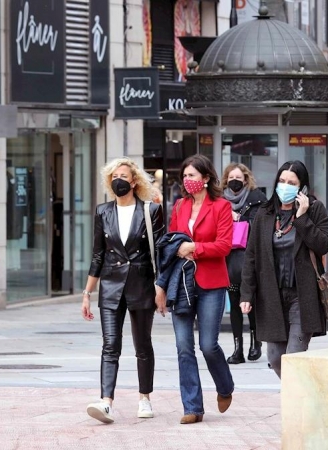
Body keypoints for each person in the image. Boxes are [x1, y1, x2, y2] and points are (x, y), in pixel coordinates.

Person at [81, 157, 165, 424]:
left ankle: (145, 398)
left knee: (143, 346)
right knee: (110, 345)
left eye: (124, 175)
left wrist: (160, 288)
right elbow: (98, 254)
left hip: (141, 284)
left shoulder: (150, 210)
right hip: (110, 286)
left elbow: (160, 254)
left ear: (134, 181)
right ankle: (106, 402)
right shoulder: (102, 211)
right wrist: (87, 293)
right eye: (114, 176)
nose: (119, 179)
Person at [239, 160, 328, 378]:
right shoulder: (265, 213)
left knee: (294, 357)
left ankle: (296, 408)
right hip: (271, 296)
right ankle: (302, 396)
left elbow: (323, 245)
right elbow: (251, 256)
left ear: (301, 187)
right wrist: (246, 294)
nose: (285, 186)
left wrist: (302, 218)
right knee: (275, 358)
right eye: (282, 181)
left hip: (302, 295)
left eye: (291, 182)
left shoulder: (314, 209)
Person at [163, 154, 235, 424]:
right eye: (184, 176)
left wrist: (195, 248)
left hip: (211, 283)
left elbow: (225, 245)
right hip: (180, 284)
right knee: (184, 346)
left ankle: (225, 385)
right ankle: (192, 407)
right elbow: (170, 243)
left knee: (208, 345)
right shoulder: (180, 206)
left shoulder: (221, 207)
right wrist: (161, 287)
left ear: (205, 179)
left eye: (192, 175)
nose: (187, 180)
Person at [222, 163, 267, 364]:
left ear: (246, 179)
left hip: (251, 259)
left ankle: (255, 342)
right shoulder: (220, 201)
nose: (235, 181)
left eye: (239, 178)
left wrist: (240, 220)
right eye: (232, 177)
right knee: (234, 303)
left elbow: (263, 228)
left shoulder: (258, 199)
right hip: (229, 259)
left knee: (252, 303)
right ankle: (238, 348)